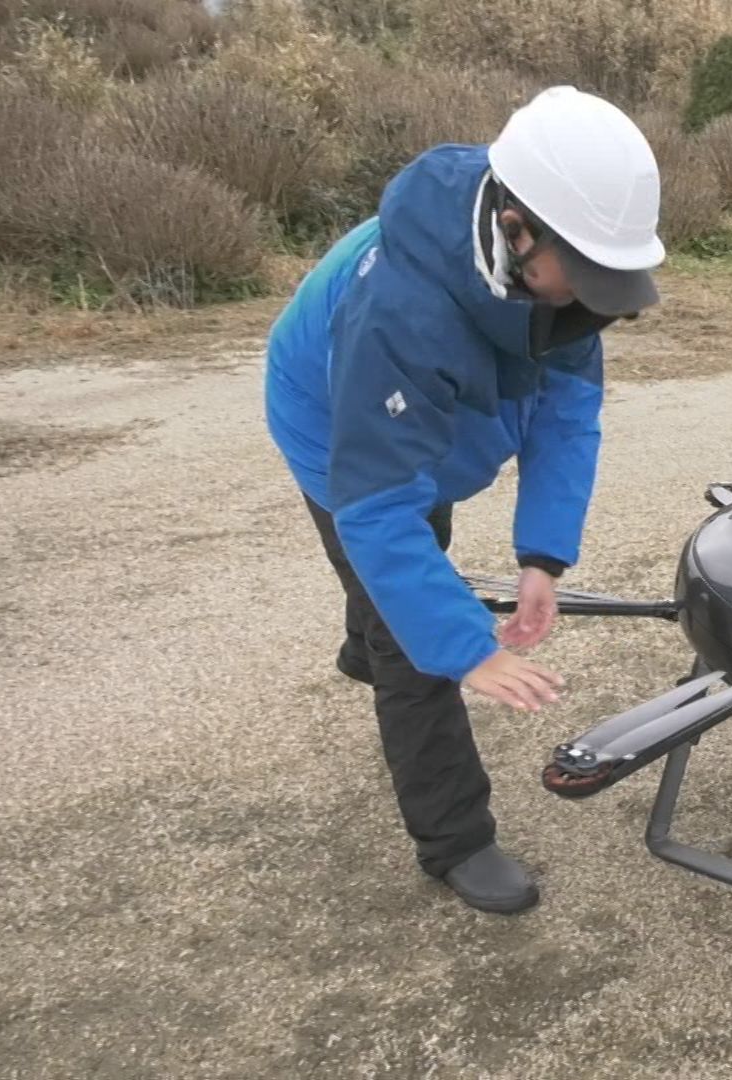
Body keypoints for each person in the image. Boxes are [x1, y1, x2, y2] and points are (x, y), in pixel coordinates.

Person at [262, 86, 666, 915]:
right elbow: (377, 506)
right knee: (411, 633)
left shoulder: (559, 280)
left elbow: (567, 415)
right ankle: (454, 840)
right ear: (514, 228)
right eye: (584, 275)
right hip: (330, 417)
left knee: (399, 586)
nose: (595, 297)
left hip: (416, 409)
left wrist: (542, 557)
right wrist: (466, 649)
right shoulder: (397, 317)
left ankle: (366, 633)